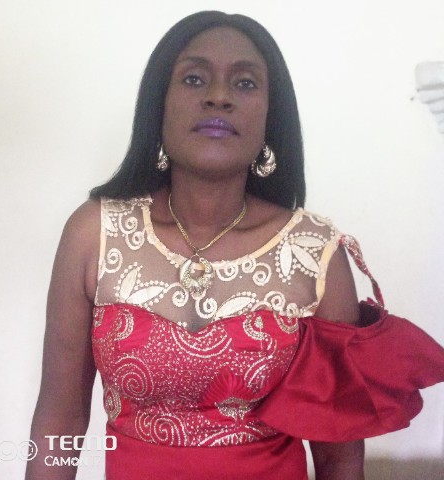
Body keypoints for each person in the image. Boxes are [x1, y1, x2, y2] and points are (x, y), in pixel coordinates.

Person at [26, 11, 444, 480]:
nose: (218, 96)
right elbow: (60, 420)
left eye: (245, 83)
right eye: (194, 78)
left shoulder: (315, 255)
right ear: (158, 105)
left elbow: (338, 458)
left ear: (270, 116)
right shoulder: (94, 234)